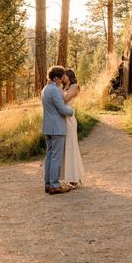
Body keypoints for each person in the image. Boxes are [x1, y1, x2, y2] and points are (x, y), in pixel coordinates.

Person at [41, 65, 74, 195]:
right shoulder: (54, 90)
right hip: (57, 127)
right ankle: (54, 184)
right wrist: (71, 111)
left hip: (48, 126)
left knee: (49, 155)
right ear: (56, 78)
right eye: (60, 78)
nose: (61, 81)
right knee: (56, 157)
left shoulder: (45, 89)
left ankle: (48, 184)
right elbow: (61, 109)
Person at [60, 68, 85, 188]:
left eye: (64, 75)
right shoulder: (61, 88)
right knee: (63, 147)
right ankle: (66, 176)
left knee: (71, 146)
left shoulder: (75, 87)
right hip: (61, 119)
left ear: (69, 76)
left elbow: (65, 99)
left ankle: (74, 178)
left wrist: (56, 94)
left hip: (69, 119)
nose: (62, 78)